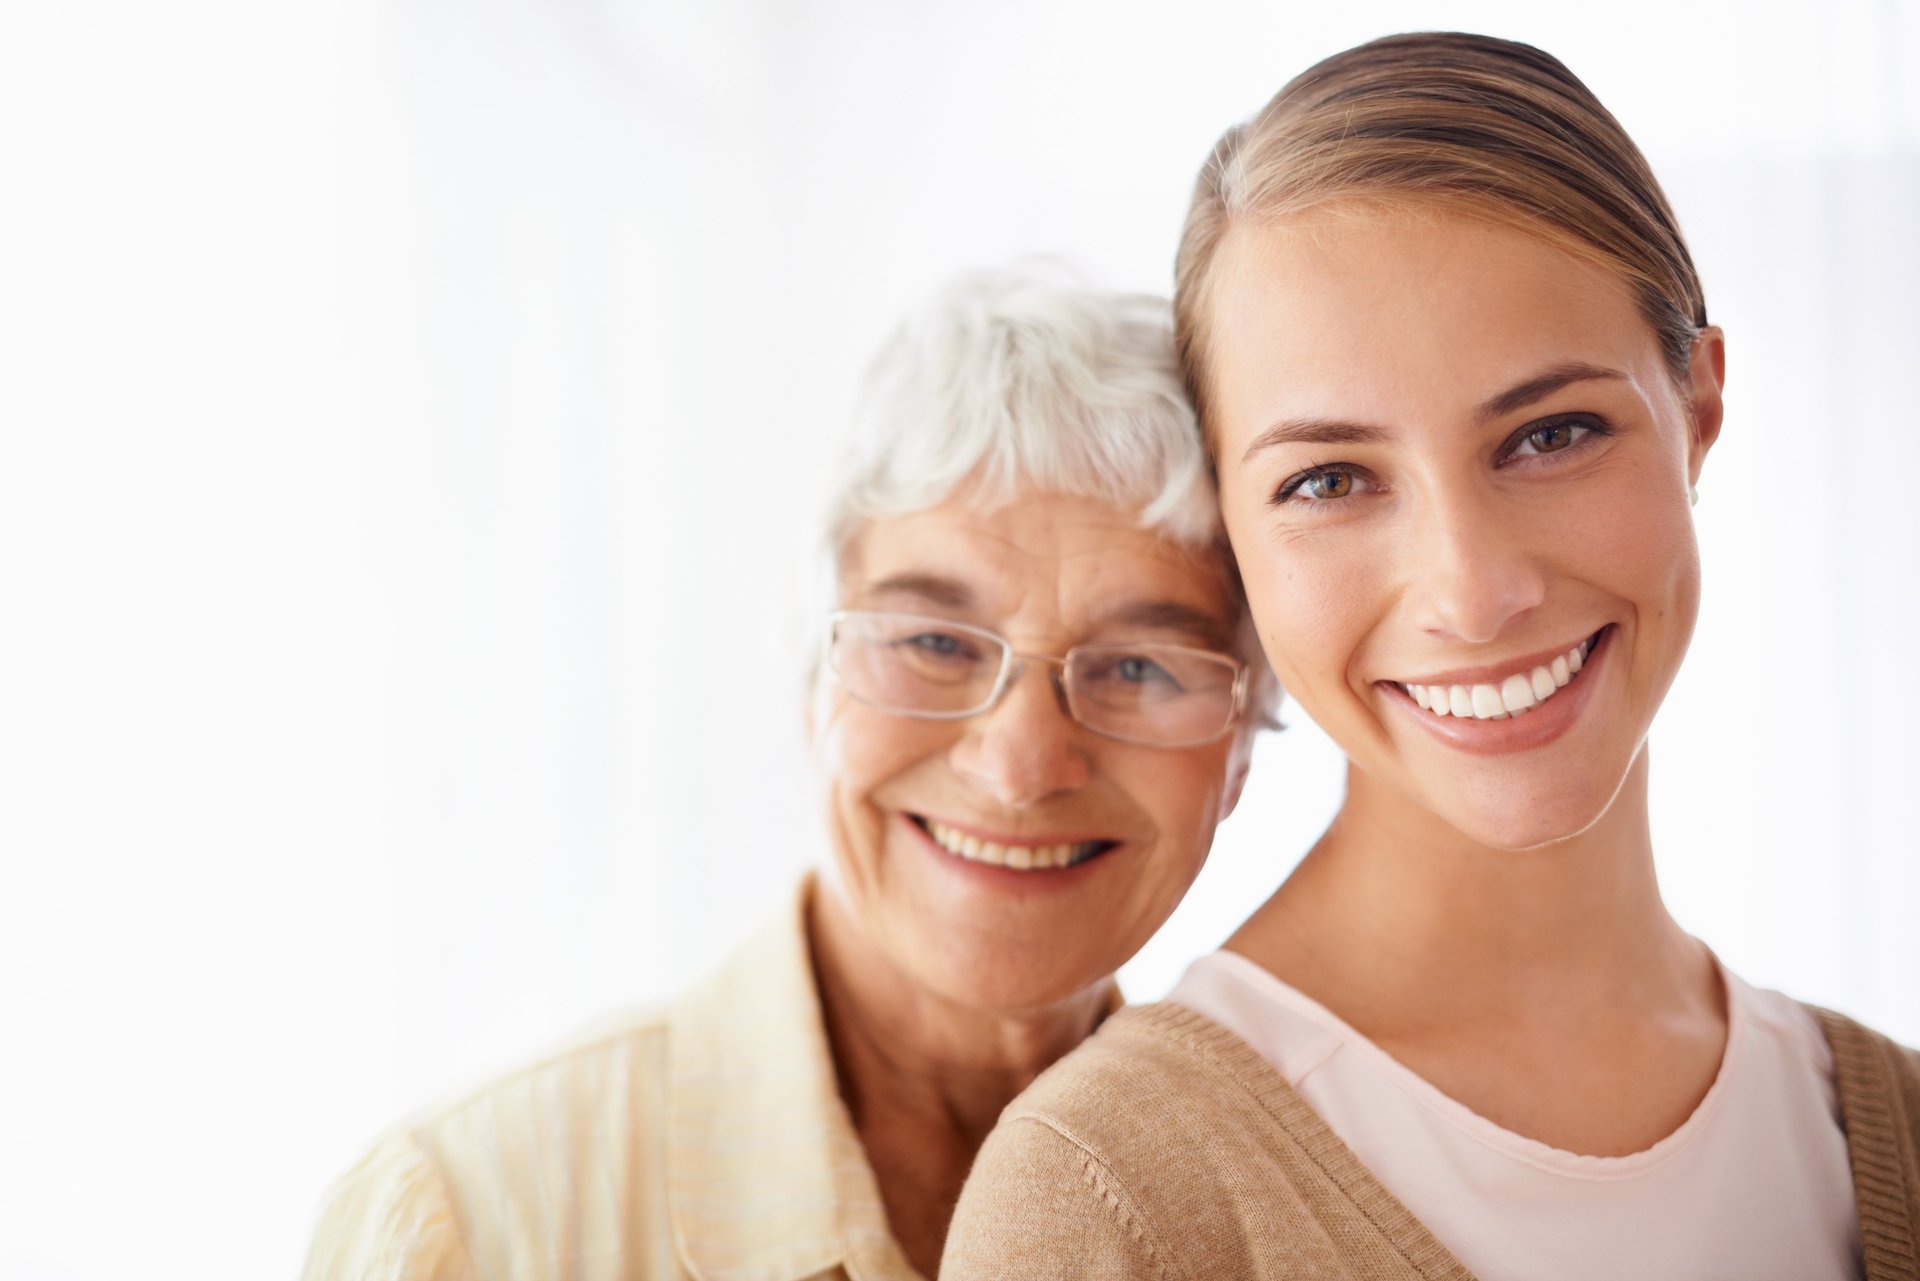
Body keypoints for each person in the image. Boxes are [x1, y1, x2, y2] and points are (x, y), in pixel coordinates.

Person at [945, 33, 1920, 1280]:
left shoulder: (1881, 1124)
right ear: (1229, 536)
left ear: (1700, 411)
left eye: (1552, 433)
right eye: (1330, 479)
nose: (1471, 592)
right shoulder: (1110, 1200)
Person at [300, 265, 1273, 1280]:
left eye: (1138, 667)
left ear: (1245, 742)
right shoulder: (472, 1217)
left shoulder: (1281, 1227)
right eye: (936, 643)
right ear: (815, 676)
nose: (1022, 765)